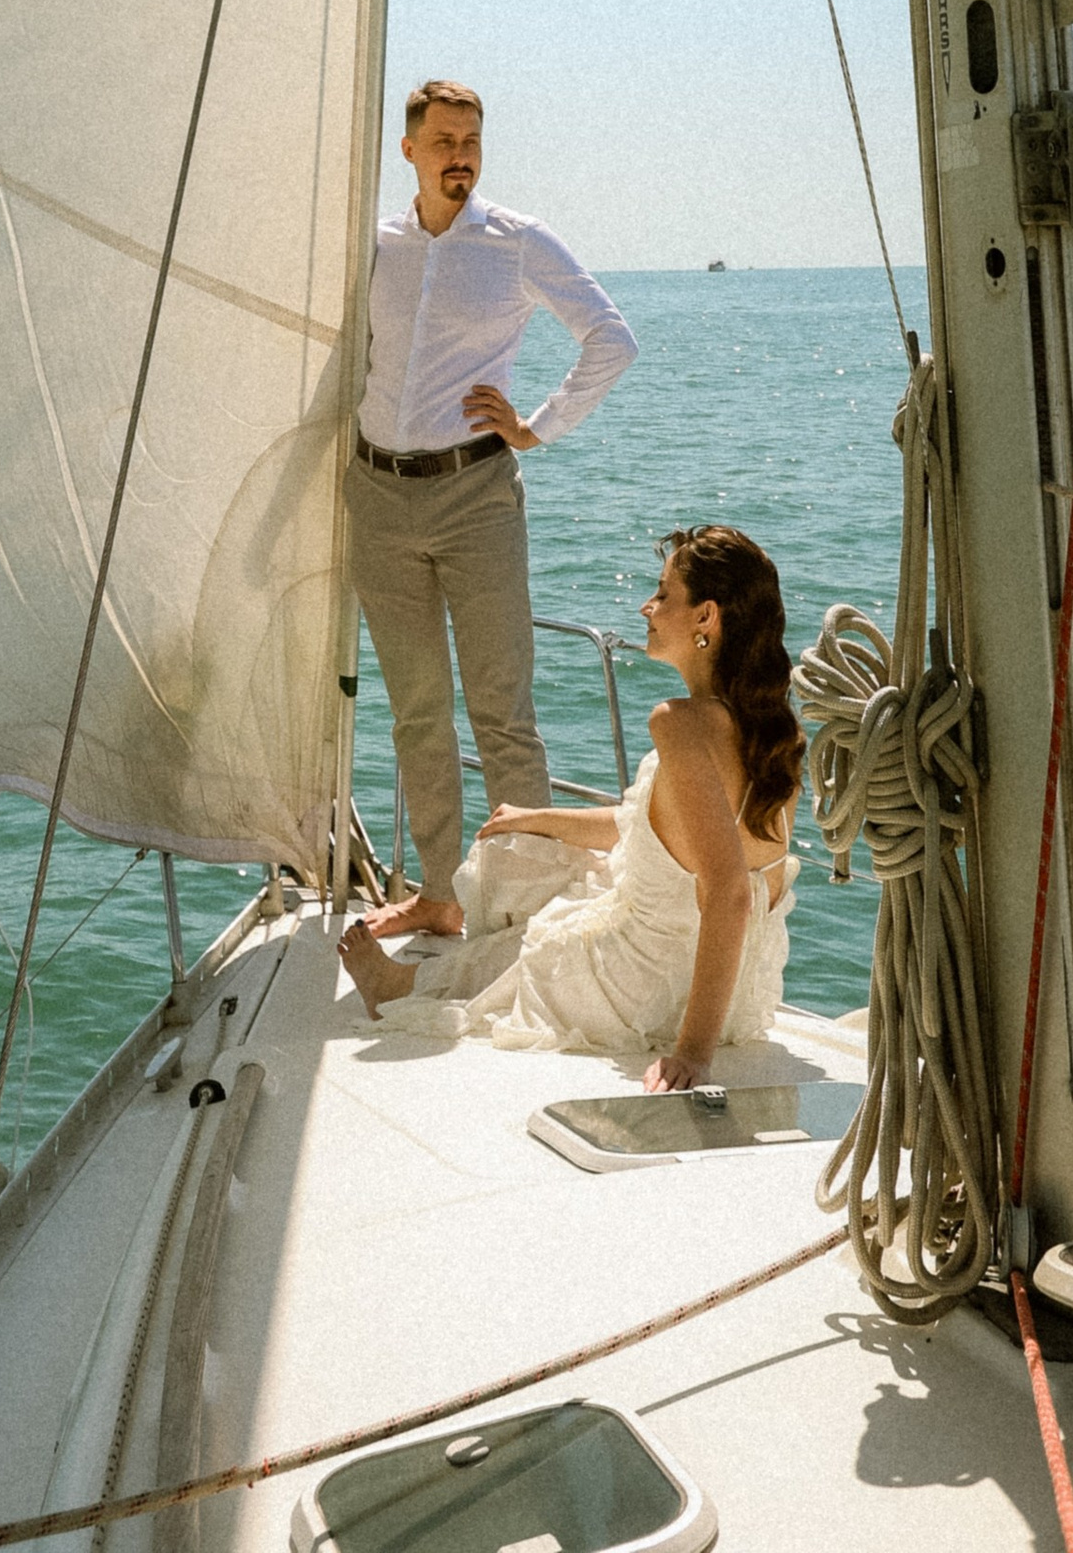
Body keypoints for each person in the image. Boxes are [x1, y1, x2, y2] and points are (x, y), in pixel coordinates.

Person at [340, 525, 803, 1090]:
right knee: (533, 856)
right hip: (735, 996)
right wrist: (535, 819)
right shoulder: (773, 731)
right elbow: (659, 835)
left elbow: (729, 891)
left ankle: (398, 988)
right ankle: (431, 970)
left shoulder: (678, 724)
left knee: (549, 932)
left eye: (662, 594)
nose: (646, 607)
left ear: (706, 617)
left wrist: (693, 1054)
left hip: (650, 989)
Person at [347, 79, 637, 943]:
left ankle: (521, 904)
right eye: (443, 141)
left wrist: (538, 428)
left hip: (476, 494)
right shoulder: (373, 245)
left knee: (502, 711)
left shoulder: (514, 242)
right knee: (416, 711)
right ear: (409, 150)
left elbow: (611, 338)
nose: (460, 156)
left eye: (471, 140)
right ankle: (441, 891)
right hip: (375, 494)